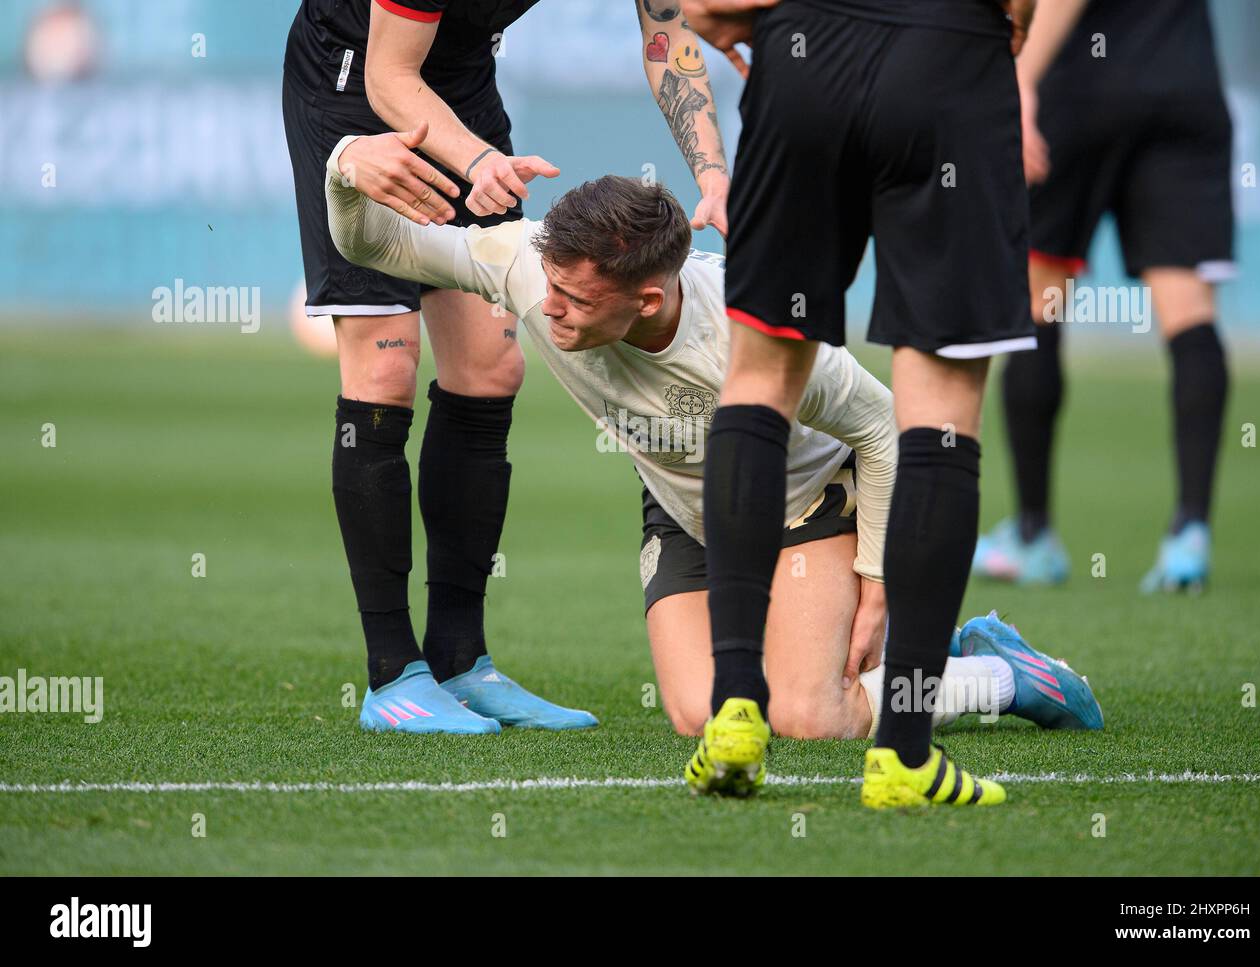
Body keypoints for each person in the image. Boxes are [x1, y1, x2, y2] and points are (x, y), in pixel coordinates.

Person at [324, 135, 1102, 749]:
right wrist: (344, 168)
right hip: (687, 514)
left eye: (576, 299)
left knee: (807, 715)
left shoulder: (749, 330)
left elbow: (881, 423)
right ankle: (901, 645)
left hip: (807, 503)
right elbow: (375, 246)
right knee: (705, 715)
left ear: (648, 298)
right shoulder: (530, 266)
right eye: (549, 288)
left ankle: (1003, 675)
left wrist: (876, 582)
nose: (549, 313)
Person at [281, 0, 733, 732]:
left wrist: (713, 174)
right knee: (384, 371)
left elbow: (670, 32)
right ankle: (393, 671)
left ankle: (462, 657)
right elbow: (390, 76)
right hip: (352, 84)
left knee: (490, 368)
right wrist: (481, 161)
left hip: (461, 85)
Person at [682, 0, 1038, 807]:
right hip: (953, 54)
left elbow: (702, 5)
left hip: (806, 54)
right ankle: (904, 754)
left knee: (761, 379)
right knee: (941, 417)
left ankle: (736, 705)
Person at [972, 0, 1233, 592]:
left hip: (1081, 88)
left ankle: (1034, 536)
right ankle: (1189, 534)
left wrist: (1021, 76)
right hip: (1184, 82)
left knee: (1043, 300)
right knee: (1189, 310)